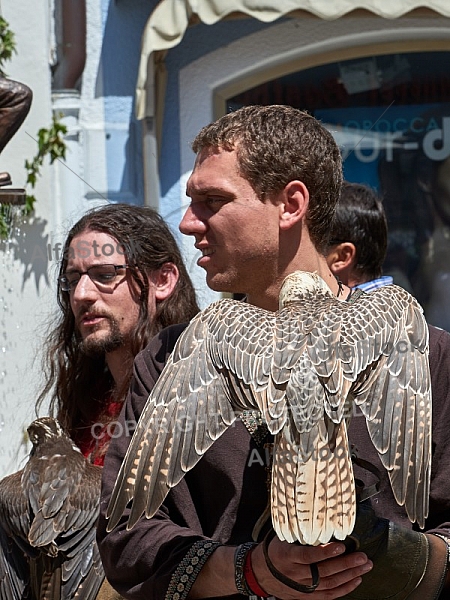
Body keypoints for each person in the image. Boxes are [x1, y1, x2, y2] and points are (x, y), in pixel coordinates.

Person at [97, 106, 450, 599]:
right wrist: (248, 571)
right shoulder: (172, 354)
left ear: (291, 204)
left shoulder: (431, 353)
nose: (186, 223)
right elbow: (125, 539)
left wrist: (396, 555)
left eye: (212, 201)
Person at [36, 202, 199, 464]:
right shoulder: (88, 401)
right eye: (74, 279)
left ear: (163, 280)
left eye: (105, 274)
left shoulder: (195, 396)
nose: (81, 294)